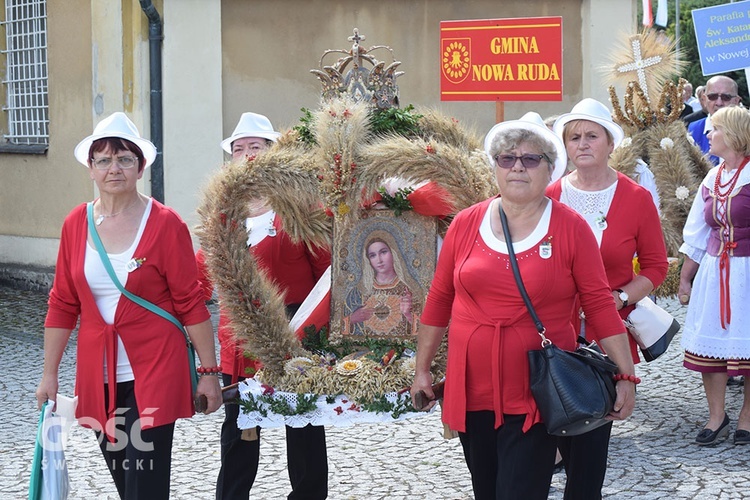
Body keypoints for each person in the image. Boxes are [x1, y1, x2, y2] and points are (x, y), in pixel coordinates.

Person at [410, 111, 637, 500]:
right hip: (472, 385)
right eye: (507, 158)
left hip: (536, 388)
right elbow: (439, 300)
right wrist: (421, 370)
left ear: (550, 170)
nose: (518, 167)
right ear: (495, 167)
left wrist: (626, 375)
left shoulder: (571, 227)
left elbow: (599, 305)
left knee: (519, 490)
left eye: (531, 159)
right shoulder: (465, 223)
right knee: (486, 489)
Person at [35, 112, 222, 500]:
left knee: (146, 483)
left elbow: (190, 302)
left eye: (124, 159)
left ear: (140, 167)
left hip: (155, 369)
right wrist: (48, 374)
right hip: (98, 375)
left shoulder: (166, 223)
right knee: (125, 480)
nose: (113, 168)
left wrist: (208, 372)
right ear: (91, 169)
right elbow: (63, 304)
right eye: (103, 160)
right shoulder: (75, 224)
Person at [197, 111, 330, 499]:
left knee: (303, 423)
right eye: (238, 149)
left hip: (294, 330)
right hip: (240, 336)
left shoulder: (298, 207)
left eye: (255, 146)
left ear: (272, 153)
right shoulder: (220, 215)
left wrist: (319, 329)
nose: (246, 154)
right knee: (240, 432)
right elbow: (199, 278)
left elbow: (326, 271)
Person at [547, 98, 668, 499]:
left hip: (607, 331)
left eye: (591, 136)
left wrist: (618, 297)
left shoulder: (635, 198)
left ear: (610, 143)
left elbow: (654, 267)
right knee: (551, 409)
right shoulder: (548, 195)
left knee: (594, 424)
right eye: (574, 137)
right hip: (553, 328)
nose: (582, 144)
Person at [679, 105, 750, 446]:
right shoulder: (712, 177)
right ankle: (717, 415)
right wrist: (684, 277)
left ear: (734, 134)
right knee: (711, 350)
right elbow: (695, 233)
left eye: (714, 129)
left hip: (747, 273)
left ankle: (747, 418)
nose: (708, 135)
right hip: (714, 271)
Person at [343, 234, 417, 336]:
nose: (379, 260)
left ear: (393, 253)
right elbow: (336, 330)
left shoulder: (409, 290)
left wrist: (408, 314)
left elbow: (428, 332)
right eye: (373, 255)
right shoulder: (359, 292)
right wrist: (351, 319)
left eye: (383, 252)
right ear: (368, 260)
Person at [688, 75, 742, 165]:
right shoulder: (693, 130)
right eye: (713, 96)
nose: (719, 103)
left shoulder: (746, 129)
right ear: (704, 100)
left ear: (736, 101)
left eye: (726, 97)